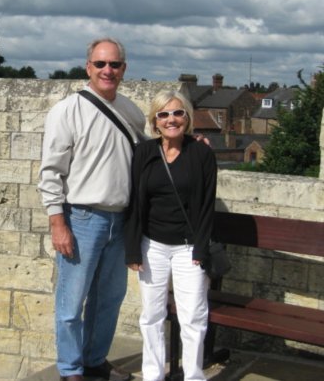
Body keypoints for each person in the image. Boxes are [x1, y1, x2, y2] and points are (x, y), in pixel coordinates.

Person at [38, 37, 146, 381]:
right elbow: (51, 171)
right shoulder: (67, 111)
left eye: (114, 64)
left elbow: (151, 154)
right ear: (88, 68)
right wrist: (58, 223)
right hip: (82, 218)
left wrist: (192, 143)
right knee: (71, 306)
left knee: (109, 300)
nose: (107, 70)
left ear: (124, 69)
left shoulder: (130, 111)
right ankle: (70, 369)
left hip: (120, 220)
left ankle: (95, 360)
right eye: (100, 64)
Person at [125, 89, 217, 381]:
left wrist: (201, 250)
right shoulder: (143, 153)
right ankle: (153, 374)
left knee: (192, 317)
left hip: (188, 249)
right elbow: (135, 203)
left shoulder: (201, 153)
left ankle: (193, 375)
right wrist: (133, 249)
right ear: (155, 122)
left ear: (187, 117)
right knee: (151, 315)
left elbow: (206, 205)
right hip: (152, 246)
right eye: (163, 114)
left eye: (178, 112)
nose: (171, 119)